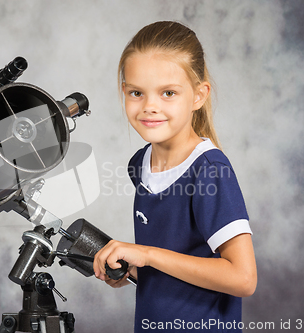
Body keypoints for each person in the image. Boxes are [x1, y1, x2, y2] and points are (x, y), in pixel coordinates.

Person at [93, 21, 257, 332]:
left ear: (198, 95)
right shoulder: (139, 163)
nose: (150, 106)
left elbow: (243, 278)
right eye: (136, 93)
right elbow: (176, 268)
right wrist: (130, 269)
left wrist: (147, 254)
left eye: (168, 92)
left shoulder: (209, 170)